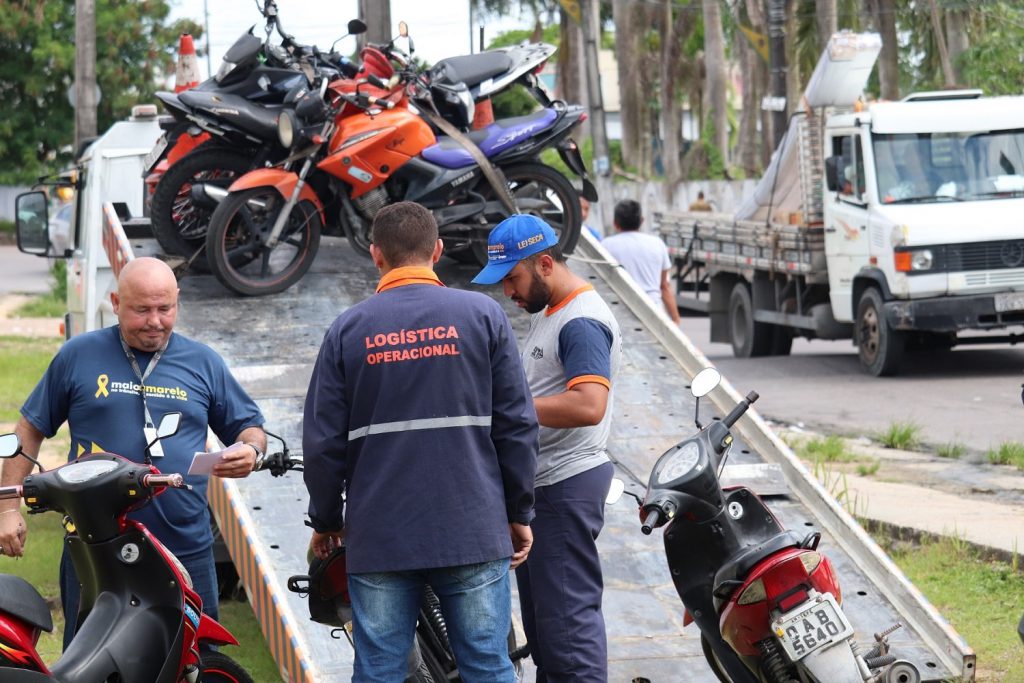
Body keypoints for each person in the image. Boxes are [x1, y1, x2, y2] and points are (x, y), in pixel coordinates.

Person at [303, 201, 538, 682]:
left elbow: (323, 443)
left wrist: (327, 520)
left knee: (380, 671)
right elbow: (516, 424)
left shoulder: (348, 330)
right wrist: (519, 513)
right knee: (488, 668)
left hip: (381, 536)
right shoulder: (484, 316)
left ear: (375, 255)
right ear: (438, 250)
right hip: (472, 529)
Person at [0, 256, 266, 649]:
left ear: (177, 302)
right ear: (116, 302)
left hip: (185, 546)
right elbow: (29, 430)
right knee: (90, 660)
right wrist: (7, 508)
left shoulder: (203, 362)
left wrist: (250, 451)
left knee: (194, 659)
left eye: (165, 308)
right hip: (94, 546)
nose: (155, 321)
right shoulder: (79, 355)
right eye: (142, 310)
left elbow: (250, 429)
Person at [472, 214, 622, 682]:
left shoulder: (580, 321)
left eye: (512, 279)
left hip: (564, 485)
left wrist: (510, 409)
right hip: (546, 488)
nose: (508, 293)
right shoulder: (551, 314)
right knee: (548, 638)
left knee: (568, 639)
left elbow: (589, 403)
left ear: (544, 264)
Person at [601, 199, 682, 325]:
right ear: (641, 221)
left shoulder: (606, 245)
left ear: (615, 223)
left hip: (619, 311)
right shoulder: (657, 243)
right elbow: (664, 286)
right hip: (654, 310)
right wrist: (675, 318)